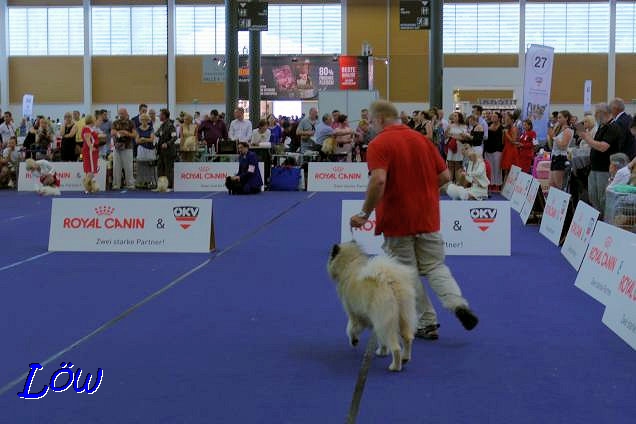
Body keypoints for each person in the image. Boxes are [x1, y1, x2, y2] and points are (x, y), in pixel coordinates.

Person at [350, 100, 479, 340]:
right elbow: (443, 177)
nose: (370, 126)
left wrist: (364, 213)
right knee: (435, 267)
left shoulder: (378, 144)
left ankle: (426, 321)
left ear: (380, 119)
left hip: (398, 219)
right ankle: (457, 303)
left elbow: (378, 181)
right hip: (428, 215)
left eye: (371, 121)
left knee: (406, 273)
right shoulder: (423, 141)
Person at [81, 115, 100, 192]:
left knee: (90, 170)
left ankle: (89, 188)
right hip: (90, 151)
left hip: (92, 150)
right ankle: (86, 185)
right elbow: (87, 139)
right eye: (94, 119)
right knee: (91, 170)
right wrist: (91, 148)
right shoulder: (87, 128)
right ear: (92, 121)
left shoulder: (91, 129)